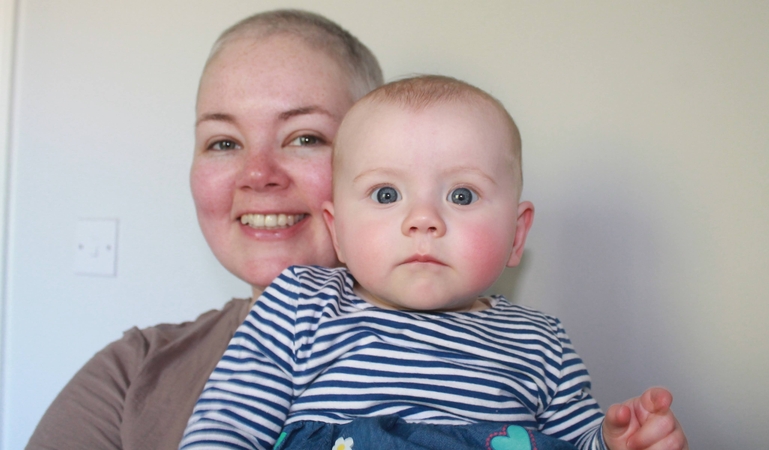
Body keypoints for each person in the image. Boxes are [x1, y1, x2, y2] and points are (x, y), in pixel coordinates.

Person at [180, 76, 688, 450]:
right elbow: (227, 423)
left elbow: (576, 442)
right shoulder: (299, 306)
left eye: (462, 195)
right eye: (386, 194)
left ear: (516, 234)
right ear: (338, 231)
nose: (423, 219)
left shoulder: (542, 343)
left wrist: (616, 442)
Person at [25, 10, 383, 450]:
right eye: (224, 142)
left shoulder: (467, 354)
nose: (257, 174)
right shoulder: (130, 374)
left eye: (305, 137)